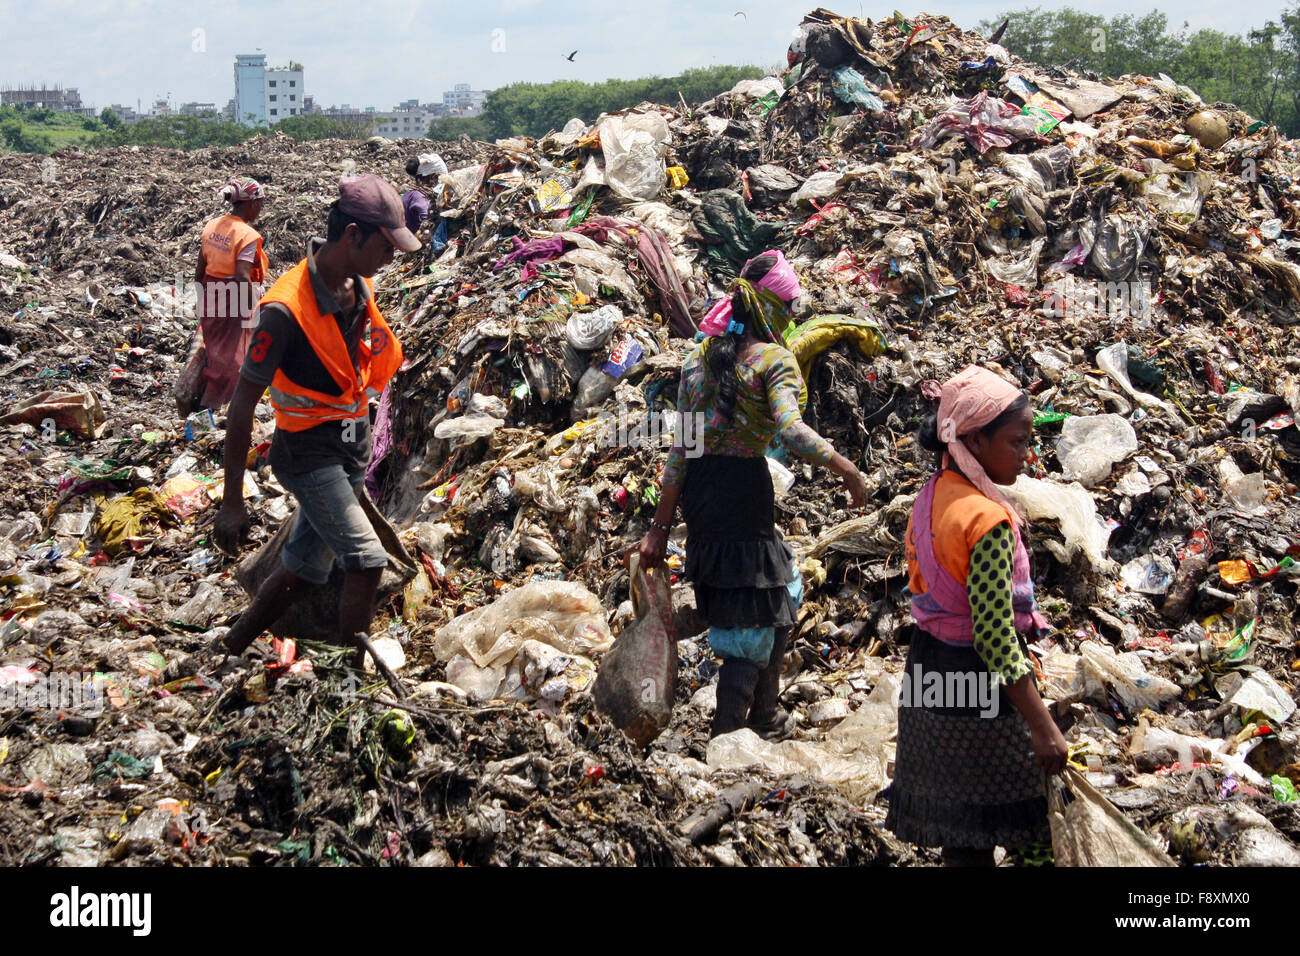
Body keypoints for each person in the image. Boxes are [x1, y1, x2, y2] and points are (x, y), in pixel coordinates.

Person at [638, 251, 868, 738]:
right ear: (769, 307)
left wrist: (660, 527)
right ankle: (725, 737)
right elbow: (793, 430)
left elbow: (682, 449)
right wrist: (847, 468)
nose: (792, 316)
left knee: (781, 594)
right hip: (743, 493)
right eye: (789, 306)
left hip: (703, 496)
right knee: (751, 621)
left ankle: (766, 716)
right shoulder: (773, 360)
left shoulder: (697, 360)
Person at [211, 174, 420, 665]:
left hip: (349, 449)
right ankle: (350, 687)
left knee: (304, 566)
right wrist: (231, 502)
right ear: (351, 236)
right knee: (366, 563)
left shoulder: (358, 285)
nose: (391, 258)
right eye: (385, 246)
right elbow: (243, 403)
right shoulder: (284, 310)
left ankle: (230, 647)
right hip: (308, 454)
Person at [886, 365, 1068, 866]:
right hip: (978, 689)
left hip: (928, 678)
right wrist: (1042, 725)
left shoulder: (931, 497)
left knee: (963, 838)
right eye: (1015, 441)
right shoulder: (987, 521)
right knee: (1032, 829)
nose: (1026, 454)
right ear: (975, 441)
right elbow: (993, 636)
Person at [184, 178, 270, 414]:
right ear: (251, 203)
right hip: (234, 297)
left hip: (211, 292)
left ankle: (206, 401)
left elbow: (199, 269)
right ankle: (222, 406)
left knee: (215, 351)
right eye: (260, 203)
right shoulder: (247, 235)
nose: (260, 208)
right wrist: (257, 304)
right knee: (235, 355)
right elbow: (242, 275)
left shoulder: (212, 226)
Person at [402, 152, 447, 235]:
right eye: (440, 178)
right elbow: (427, 223)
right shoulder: (419, 197)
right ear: (433, 177)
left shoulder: (410, 194)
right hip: (413, 245)